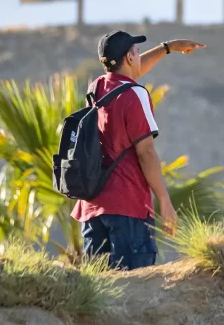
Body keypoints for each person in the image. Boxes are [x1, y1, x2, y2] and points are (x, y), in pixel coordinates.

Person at [71, 30, 205, 269]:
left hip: (92, 209)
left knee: (100, 291)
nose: (140, 56)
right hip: (128, 208)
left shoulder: (96, 88)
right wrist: (164, 200)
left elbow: (129, 77)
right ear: (130, 59)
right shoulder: (135, 95)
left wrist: (168, 46)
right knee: (132, 292)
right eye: (137, 52)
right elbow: (146, 152)